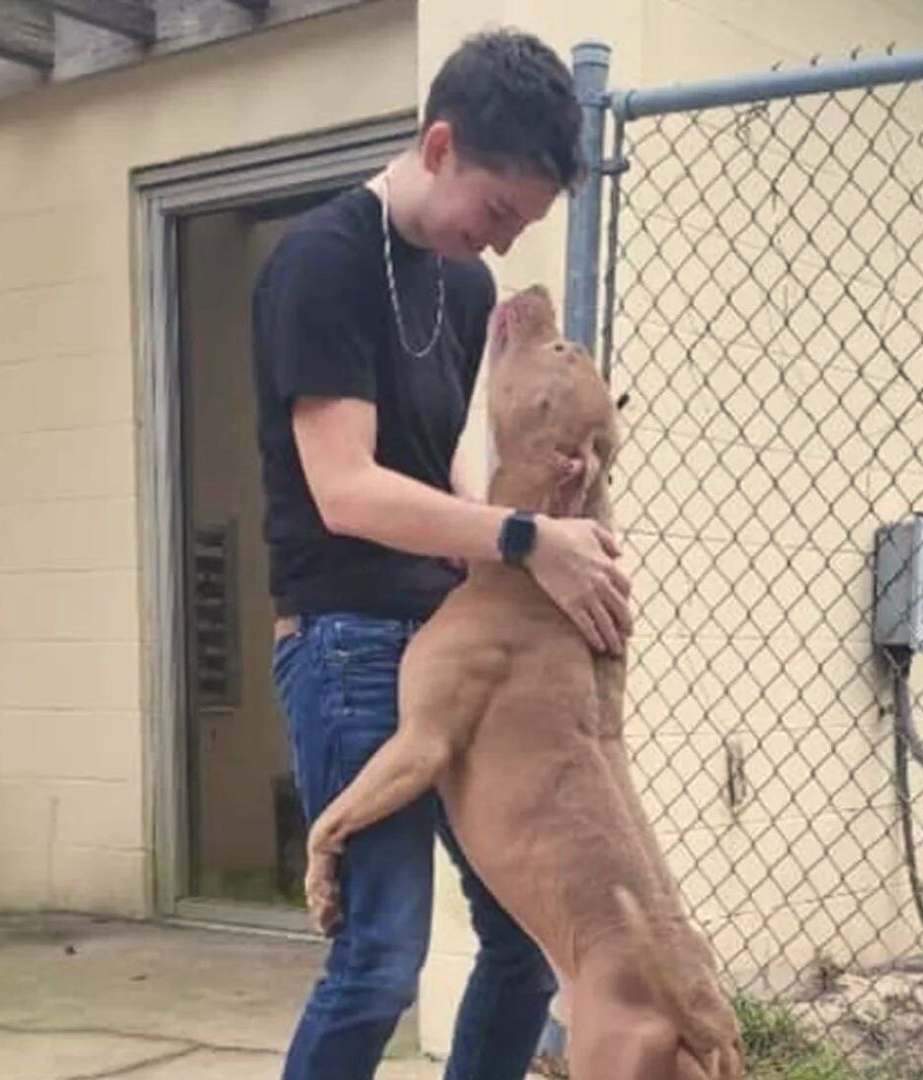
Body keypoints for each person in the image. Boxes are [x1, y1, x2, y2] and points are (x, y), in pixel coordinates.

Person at [251, 28, 634, 1080]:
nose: (502, 244)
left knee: (519, 946)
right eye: (498, 211)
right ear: (438, 146)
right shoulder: (319, 261)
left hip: (448, 632)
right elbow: (348, 488)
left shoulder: (465, 291)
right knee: (380, 959)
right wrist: (521, 540)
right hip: (342, 640)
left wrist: (542, 540)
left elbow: (431, 474)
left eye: (523, 225)